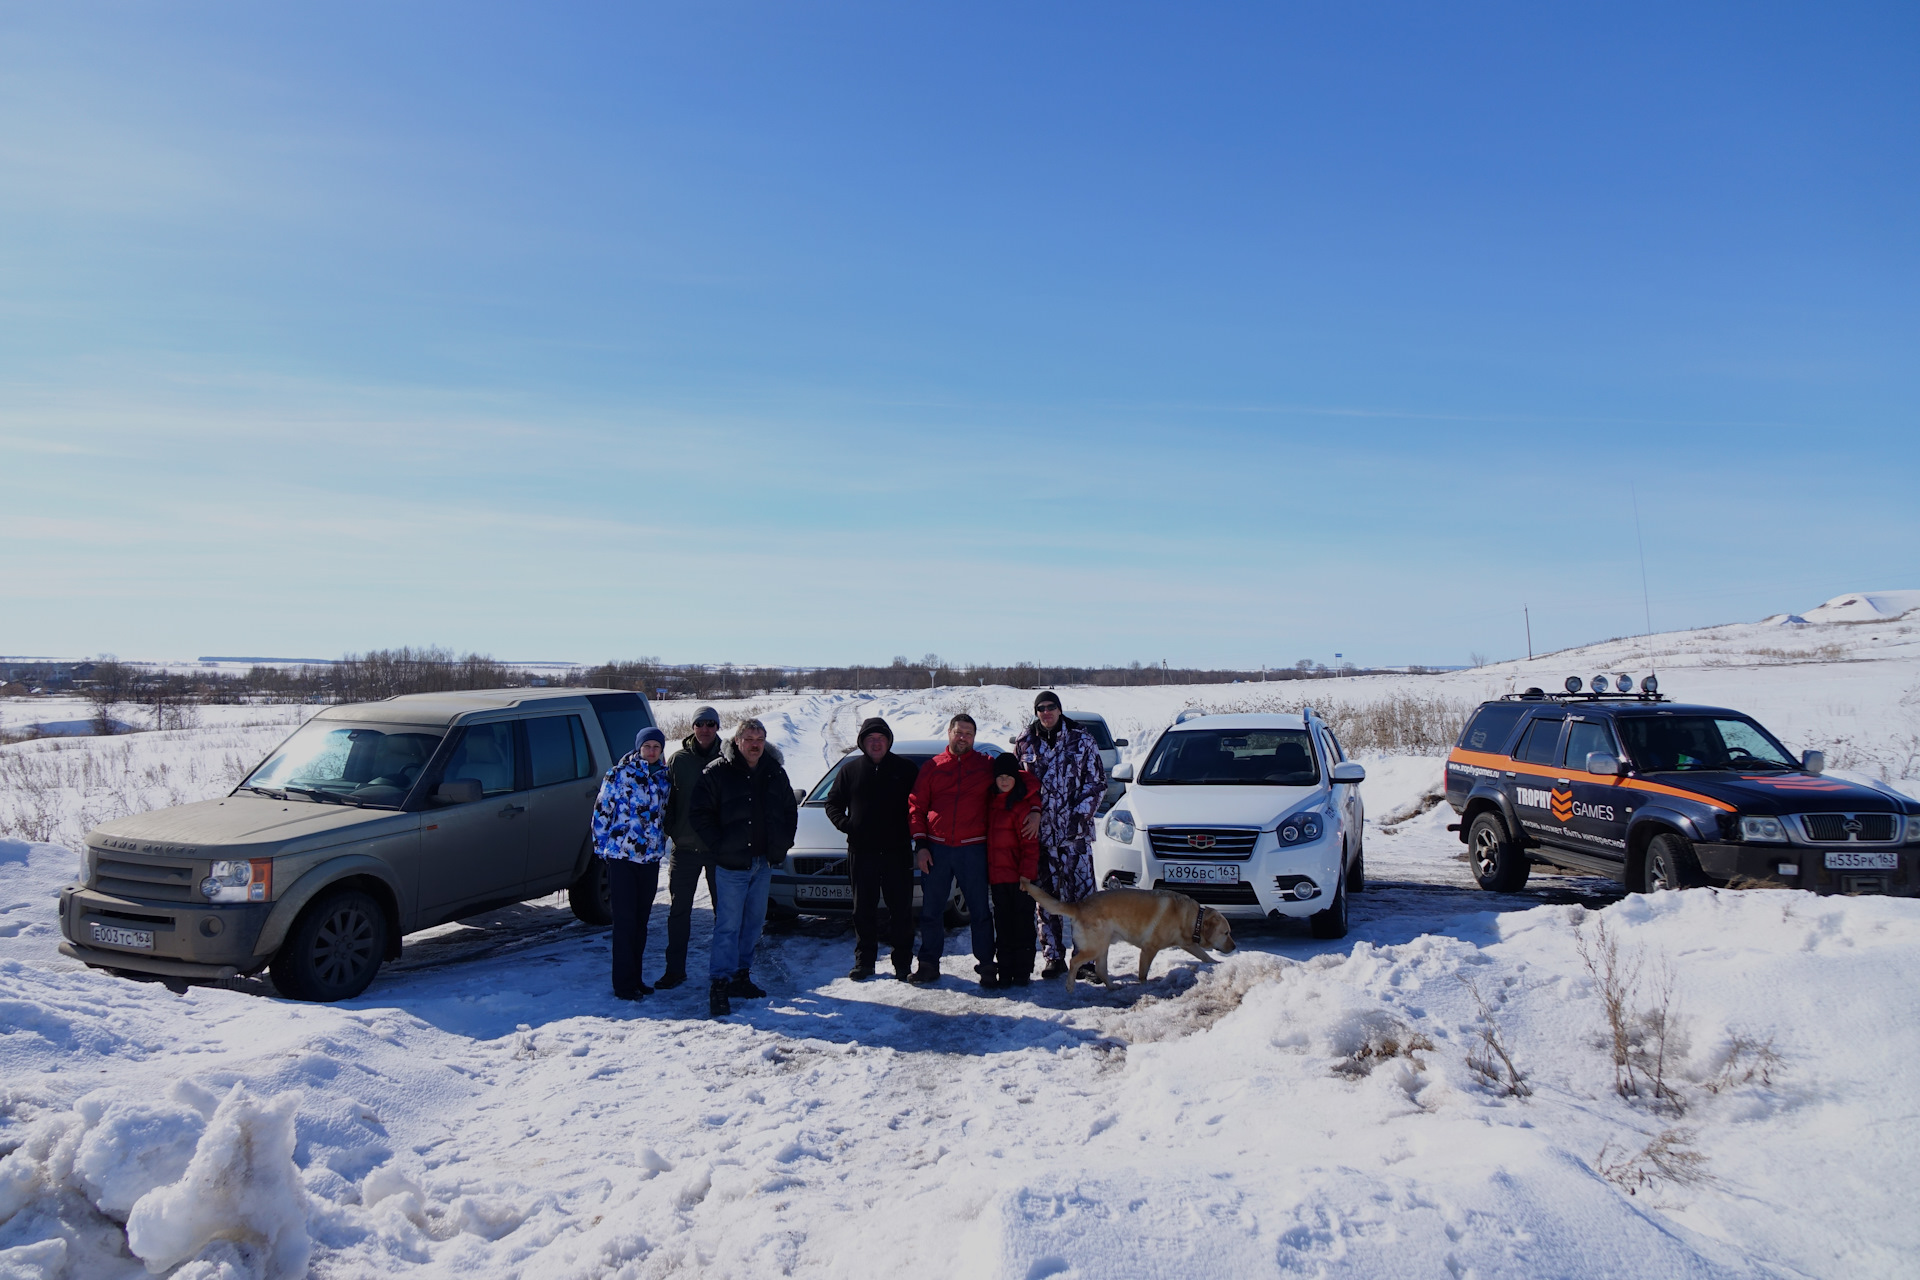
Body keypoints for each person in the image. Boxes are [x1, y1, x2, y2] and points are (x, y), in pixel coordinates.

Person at [690, 718, 799, 1018]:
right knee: (728, 925)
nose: (754, 744)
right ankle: (720, 983)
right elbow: (698, 813)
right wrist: (719, 844)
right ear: (737, 741)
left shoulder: (774, 772)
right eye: (749, 738)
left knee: (753, 923)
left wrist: (783, 845)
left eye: (760, 739)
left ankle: (741, 976)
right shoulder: (718, 772)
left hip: (763, 863)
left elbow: (790, 810)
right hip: (731, 864)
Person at [1013, 690, 1107, 980]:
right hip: (1040, 838)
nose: (1046, 712)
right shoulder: (1024, 742)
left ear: (1059, 709)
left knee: (1085, 900)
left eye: (1051, 707)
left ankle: (1088, 960)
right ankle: (1053, 957)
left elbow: (1097, 784)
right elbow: (1019, 787)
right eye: (1040, 708)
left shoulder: (1082, 739)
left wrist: (1075, 818)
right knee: (1047, 899)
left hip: (1075, 837)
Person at [824, 716, 920, 981]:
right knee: (862, 910)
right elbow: (832, 804)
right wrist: (847, 825)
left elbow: (921, 805)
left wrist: (915, 832)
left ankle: (902, 964)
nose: (876, 744)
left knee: (900, 910)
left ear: (888, 741)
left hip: (897, 851)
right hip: (861, 852)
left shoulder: (906, 769)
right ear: (863, 743)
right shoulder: (850, 771)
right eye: (870, 739)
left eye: (881, 739)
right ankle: (864, 963)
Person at [907, 713, 999, 987]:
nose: (963, 738)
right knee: (931, 911)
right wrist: (921, 845)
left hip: (973, 849)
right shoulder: (933, 767)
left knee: (980, 911)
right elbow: (916, 807)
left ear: (974, 737)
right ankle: (928, 965)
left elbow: (1016, 779)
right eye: (958, 732)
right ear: (949, 733)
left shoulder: (986, 766)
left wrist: (1033, 808)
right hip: (937, 848)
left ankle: (986, 967)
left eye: (968, 733)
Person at [590, 727, 673, 1001]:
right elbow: (602, 813)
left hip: (649, 859)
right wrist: (602, 849)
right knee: (625, 922)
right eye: (647, 746)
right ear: (638, 747)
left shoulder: (663, 777)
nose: (651, 751)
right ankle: (623, 984)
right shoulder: (619, 774)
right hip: (622, 857)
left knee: (641, 921)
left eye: (656, 747)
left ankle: (637, 978)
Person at [658, 706, 724, 989]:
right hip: (684, 850)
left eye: (711, 724)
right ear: (693, 727)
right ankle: (675, 970)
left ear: (717, 727)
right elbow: (666, 801)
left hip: (719, 850)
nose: (705, 729)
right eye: (700, 723)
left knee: (725, 913)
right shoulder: (678, 760)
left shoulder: (728, 758)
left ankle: (725, 971)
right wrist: (673, 830)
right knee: (679, 912)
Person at [985, 752, 1042, 987]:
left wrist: (1027, 875)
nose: (1005, 781)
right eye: (1001, 777)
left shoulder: (1022, 808)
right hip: (998, 879)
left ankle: (1022, 970)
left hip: (1020, 880)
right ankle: (1005, 969)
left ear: (1016, 778)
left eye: (1009, 776)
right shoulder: (989, 805)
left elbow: (1030, 845)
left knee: (1022, 924)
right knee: (1003, 924)